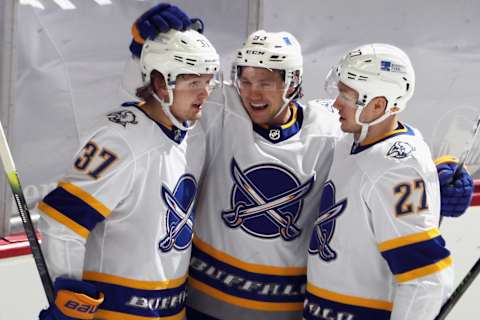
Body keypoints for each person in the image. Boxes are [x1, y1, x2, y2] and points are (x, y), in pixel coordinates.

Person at [128, 5, 473, 320]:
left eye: (265, 82)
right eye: (245, 81)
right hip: (201, 306)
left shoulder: (328, 128)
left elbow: (386, 142)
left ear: (292, 83)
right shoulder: (217, 107)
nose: (252, 93)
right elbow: (156, 101)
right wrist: (147, 50)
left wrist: (436, 178)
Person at [36, 28, 220, 319]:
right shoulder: (121, 140)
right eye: (195, 82)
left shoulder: (193, 136)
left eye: (209, 82)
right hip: (116, 311)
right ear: (161, 85)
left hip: (172, 310)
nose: (205, 93)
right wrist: (72, 302)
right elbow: (64, 221)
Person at [304, 43, 453, 320]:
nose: (336, 103)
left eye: (347, 96)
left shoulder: (397, 167)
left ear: (378, 105)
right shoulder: (350, 141)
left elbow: (427, 280)